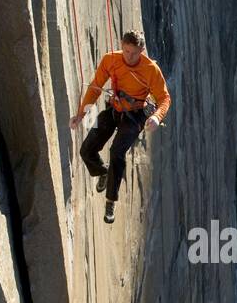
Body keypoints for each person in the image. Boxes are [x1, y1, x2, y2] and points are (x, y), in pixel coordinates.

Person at [70, 30, 171, 224]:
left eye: (133, 52)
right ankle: (102, 171)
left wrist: (157, 117)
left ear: (142, 50)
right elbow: (95, 86)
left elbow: (164, 98)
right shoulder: (111, 60)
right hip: (114, 109)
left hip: (135, 116)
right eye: (126, 51)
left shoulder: (151, 70)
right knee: (86, 150)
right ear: (121, 46)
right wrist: (81, 114)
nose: (129, 56)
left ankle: (110, 202)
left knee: (117, 151)